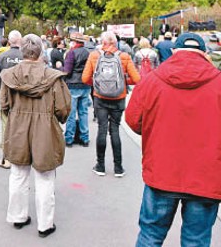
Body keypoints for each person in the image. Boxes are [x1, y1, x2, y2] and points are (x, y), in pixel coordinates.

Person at [126, 33, 221, 247]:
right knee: (196, 240)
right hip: (205, 176)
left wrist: (154, 130)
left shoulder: (152, 80)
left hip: (162, 170)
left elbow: (133, 120)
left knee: (150, 235)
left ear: (174, 52)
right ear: (204, 54)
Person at [0, 34, 71, 238]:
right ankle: (45, 224)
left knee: (18, 174)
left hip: (17, 126)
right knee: (45, 177)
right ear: (40, 51)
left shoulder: (9, 76)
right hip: (45, 129)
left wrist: (14, 116)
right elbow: (63, 109)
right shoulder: (53, 77)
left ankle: (17, 216)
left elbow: (3, 105)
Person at [82, 31, 140, 177]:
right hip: (118, 98)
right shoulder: (124, 57)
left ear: (102, 42)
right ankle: (118, 167)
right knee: (115, 130)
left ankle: (100, 165)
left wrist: (96, 85)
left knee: (102, 129)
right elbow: (137, 79)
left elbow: (85, 78)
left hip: (100, 98)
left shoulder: (94, 56)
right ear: (115, 42)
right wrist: (122, 83)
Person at [0, 30, 23, 169]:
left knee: (6, 126)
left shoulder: (2, 57)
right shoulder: (26, 57)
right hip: (23, 98)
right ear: (20, 41)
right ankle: (22, 155)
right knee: (22, 126)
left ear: (10, 41)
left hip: (6, 97)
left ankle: (6, 158)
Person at [62, 33, 91, 147]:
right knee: (83, 112)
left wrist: (60, 68)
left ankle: (69, 139)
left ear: (74, 42)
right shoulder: (88, 53)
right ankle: (85, 138)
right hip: (85, 84)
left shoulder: (71, 53)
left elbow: (67, 71)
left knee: (71, 114)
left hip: (73, 85)